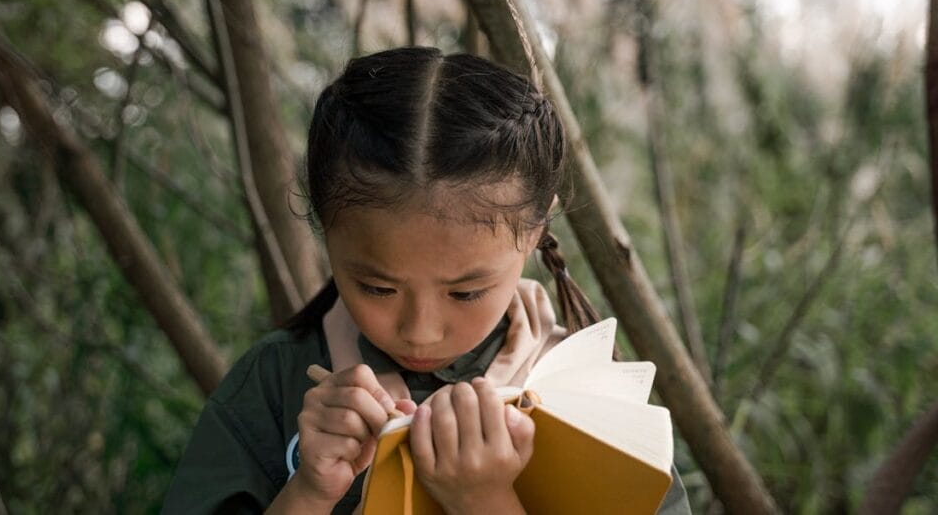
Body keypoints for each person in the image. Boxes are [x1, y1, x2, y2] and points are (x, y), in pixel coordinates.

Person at [163, 47, 691, 514]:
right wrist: (311, 490)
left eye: (465, 292)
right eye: (378, 288)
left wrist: (481, 499)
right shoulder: (275, 384)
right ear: (326, 230)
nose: (420, 331)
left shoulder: (590, 397)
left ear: (536, 231)